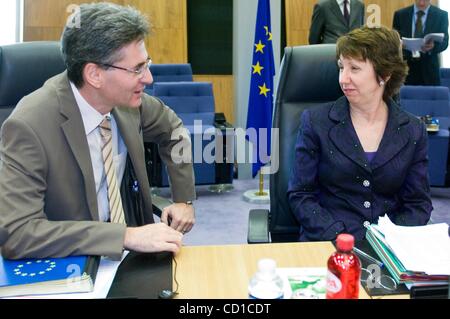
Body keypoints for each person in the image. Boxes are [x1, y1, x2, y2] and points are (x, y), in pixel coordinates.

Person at [0, 3, 196, 260]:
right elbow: (17, 234)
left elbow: (174, 131)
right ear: (94, 75)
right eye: (137, 68)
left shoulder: (128, 103)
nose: (148, 78)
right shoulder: (29, 126)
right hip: (71, 265)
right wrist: (124, 236)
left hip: (133, 260)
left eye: (146, 63)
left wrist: (184, 199)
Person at [288, 26, 433, 241]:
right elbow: (301, 195)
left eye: (354, 69)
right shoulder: (316, 122)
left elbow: (417, 203)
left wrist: (388, 240)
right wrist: (340, 236)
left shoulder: (413, 130)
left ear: (384, 74)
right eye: (341, 68)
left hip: (389, 249)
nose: (343, 79)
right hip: (328, 243)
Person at [393, 0, 449, 85]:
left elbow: (445, 42)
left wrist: (433, 46)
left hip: (430, 72)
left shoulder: (441, 15)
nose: (422, 2)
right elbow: (394, 40)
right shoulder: (400, 15)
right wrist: (400, 45)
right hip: (405, 69)